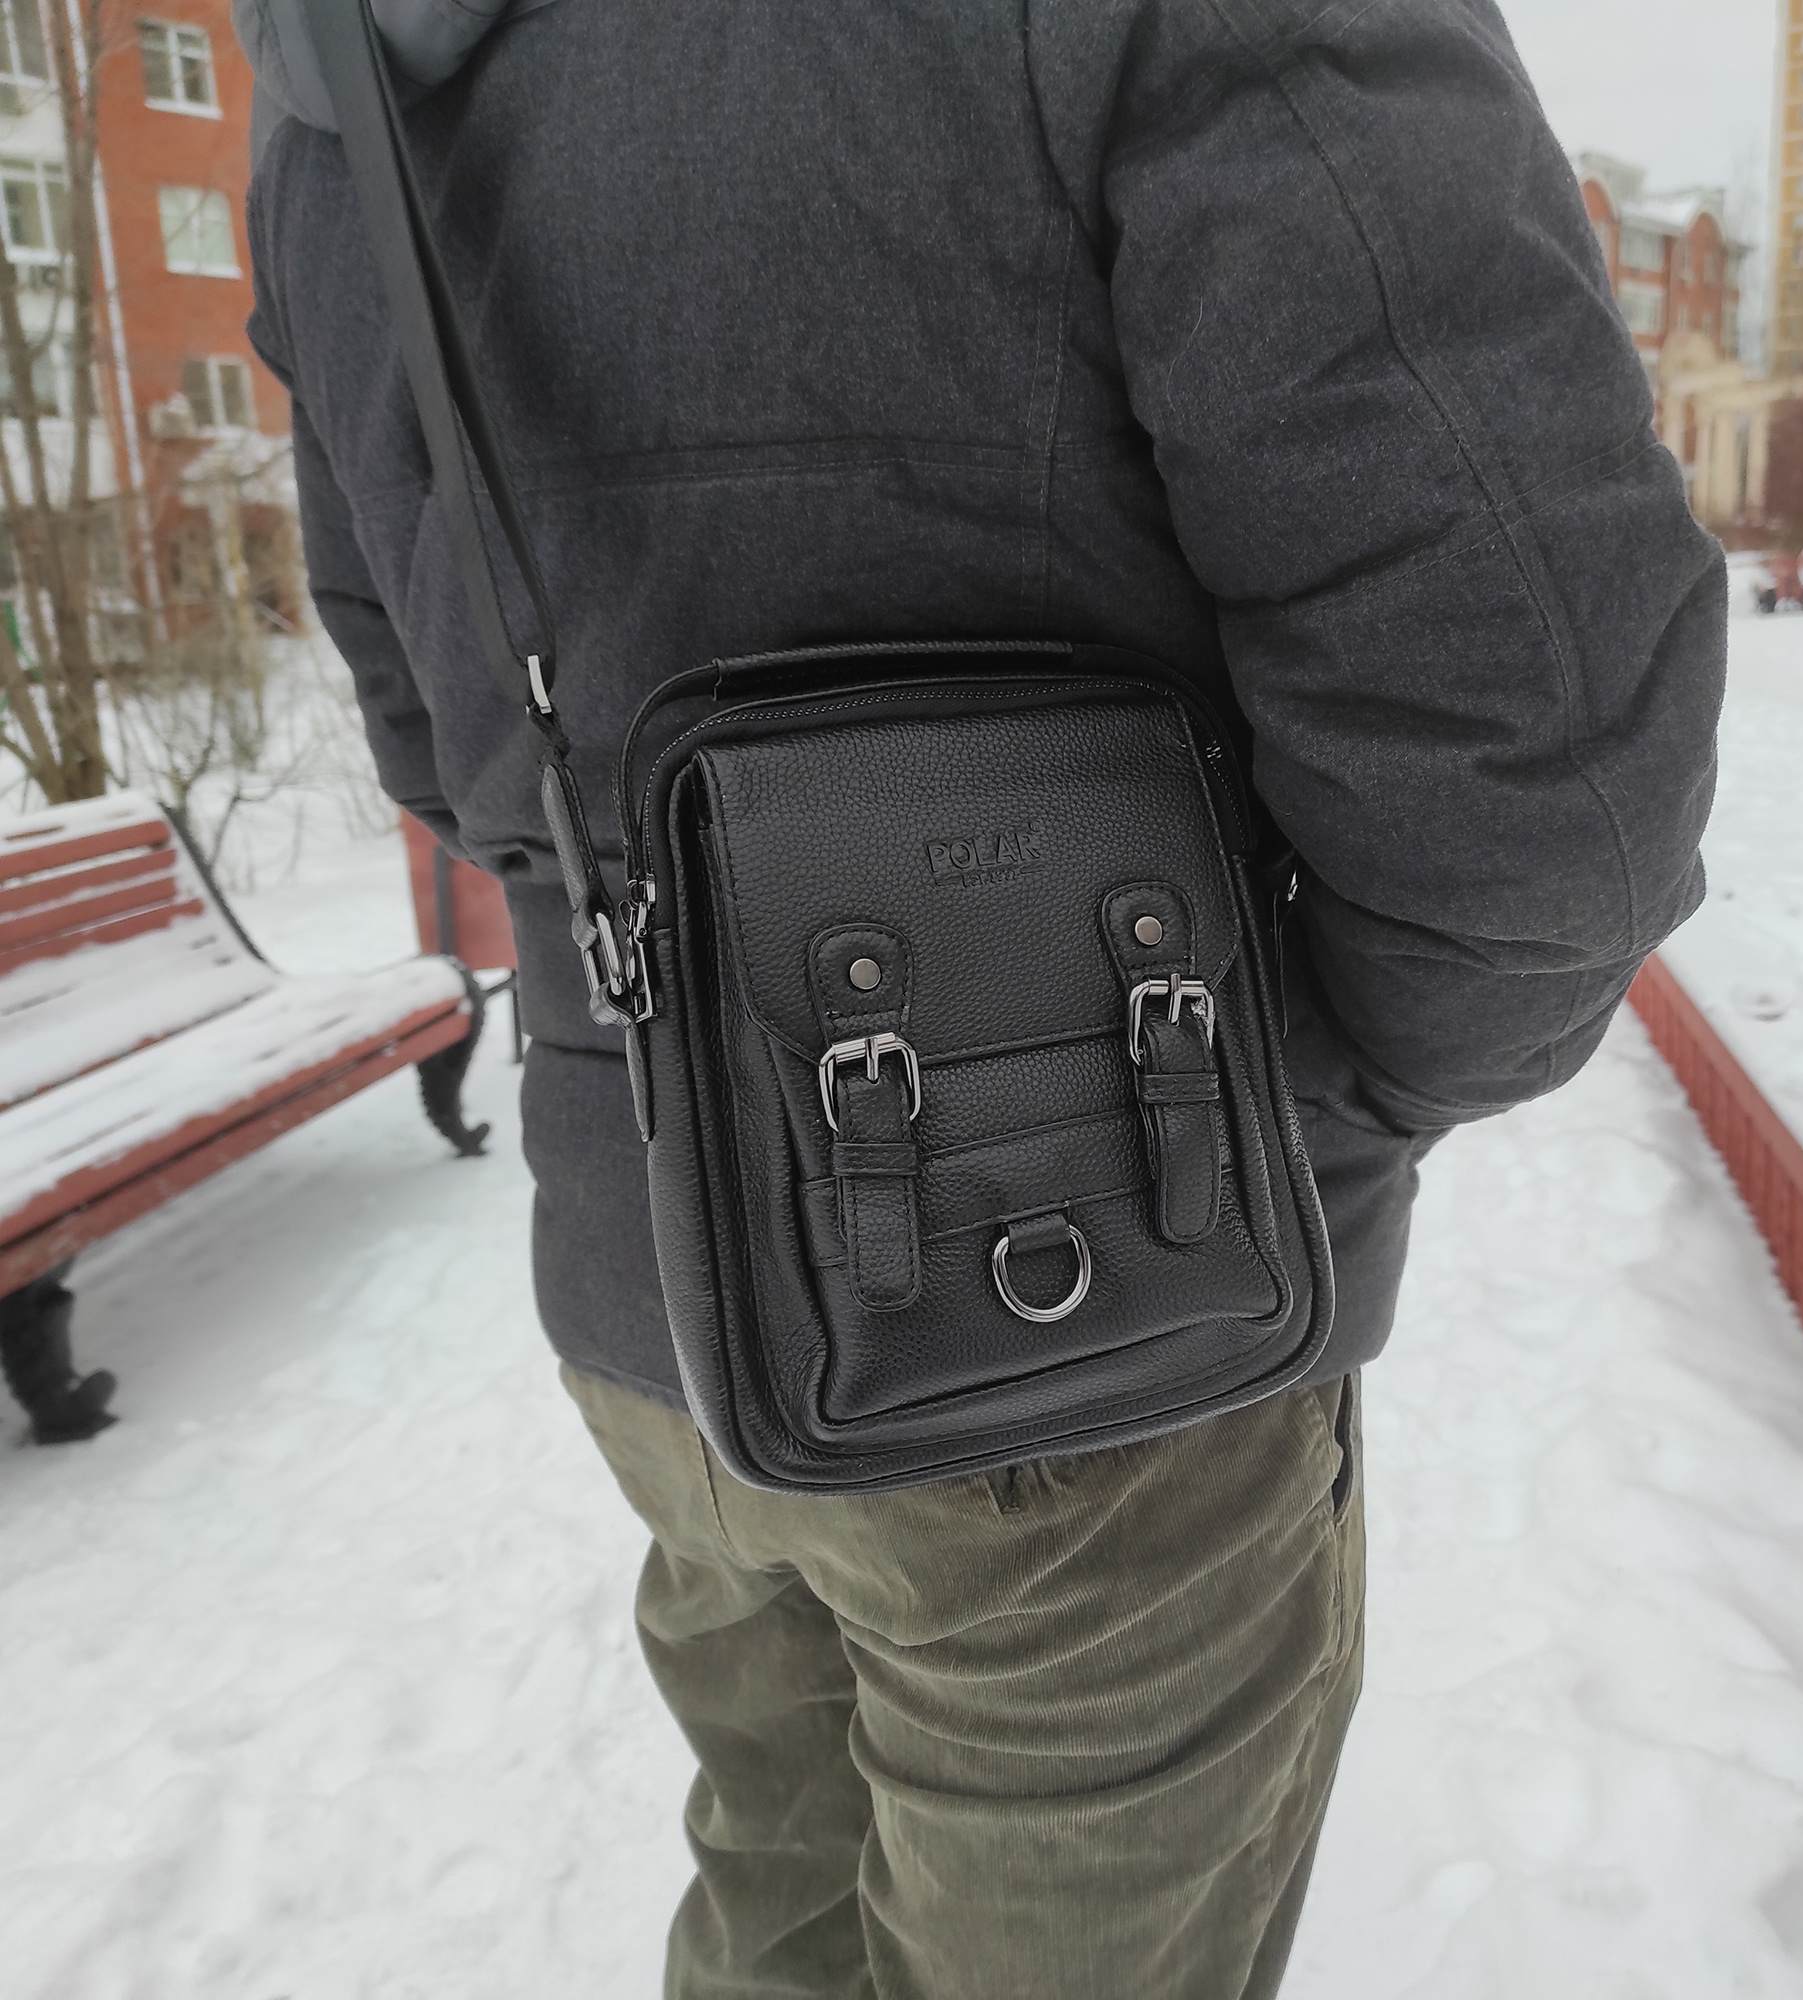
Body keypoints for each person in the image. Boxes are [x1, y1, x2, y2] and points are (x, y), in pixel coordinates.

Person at [238, 2, 1726, 1992]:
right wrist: (1299, 1123)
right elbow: (1539, 761)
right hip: (1091, 1348)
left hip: (653, 1295)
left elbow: (431, 730)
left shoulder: (332, 68)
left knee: (774, 1905)